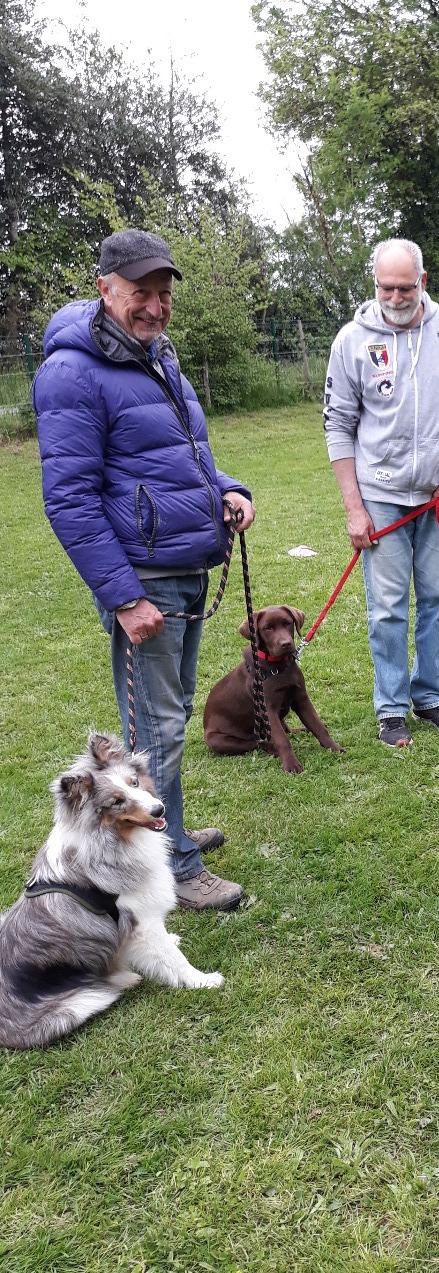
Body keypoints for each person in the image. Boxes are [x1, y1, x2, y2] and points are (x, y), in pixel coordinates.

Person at [32, 228, 255, 910]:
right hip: (145, 580)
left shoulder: (158, 356)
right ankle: (176, 869)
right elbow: (68, 498)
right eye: (140, 294)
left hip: (184, 566)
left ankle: (173, 828)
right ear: (104, 289)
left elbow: (182, 454)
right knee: (152, 735)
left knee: (170, 719)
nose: (155, 308)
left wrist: (227, 489)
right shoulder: (71, 372)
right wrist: (125, 598)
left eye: (163, 295)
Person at [324, 238, 439, 749]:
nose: (395, 297)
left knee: (438, 602)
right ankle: (392, 707)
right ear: (374, 283)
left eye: (405, 286)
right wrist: (355, 508)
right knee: (388, 607)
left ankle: (430, 696)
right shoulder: (352, 340)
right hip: (381, 495)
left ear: (423, 281)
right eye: (385, 287)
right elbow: (338, 424)